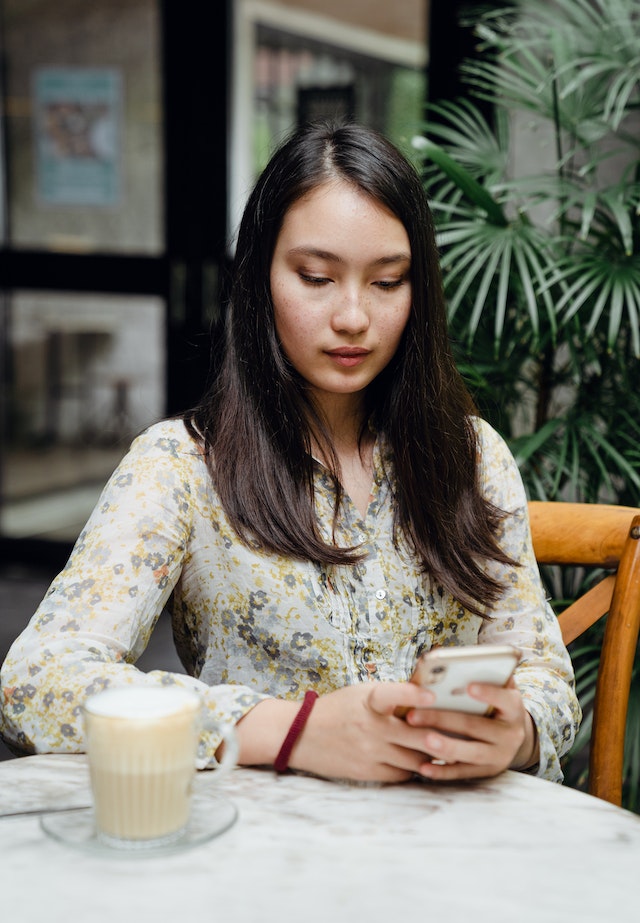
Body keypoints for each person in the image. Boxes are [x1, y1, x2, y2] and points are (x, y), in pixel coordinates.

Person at [0, 121, 580, 784]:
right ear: (260, 278)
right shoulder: (185, 467)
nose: (354, 316)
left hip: (447, 846)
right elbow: (34, 683)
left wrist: (517, 730)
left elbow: (547, 681)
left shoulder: (472, 456)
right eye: (316, 276)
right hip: (265, 853)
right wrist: (292, 730)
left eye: (387, 283)